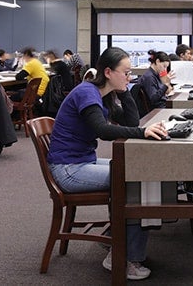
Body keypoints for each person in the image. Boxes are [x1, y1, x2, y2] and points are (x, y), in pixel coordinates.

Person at [46, 47, 168, 280]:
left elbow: (131, 122)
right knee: (134, 182)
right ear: (108, 72)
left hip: (81, 162)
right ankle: (124, 258)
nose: (130, 76)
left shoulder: (104, 94)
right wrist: (144, 132)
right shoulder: (87, 92)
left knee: (139, 174)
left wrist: (124, 92)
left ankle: (118, 237)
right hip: (68, 169)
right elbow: (103, 131)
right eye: (126, 72)